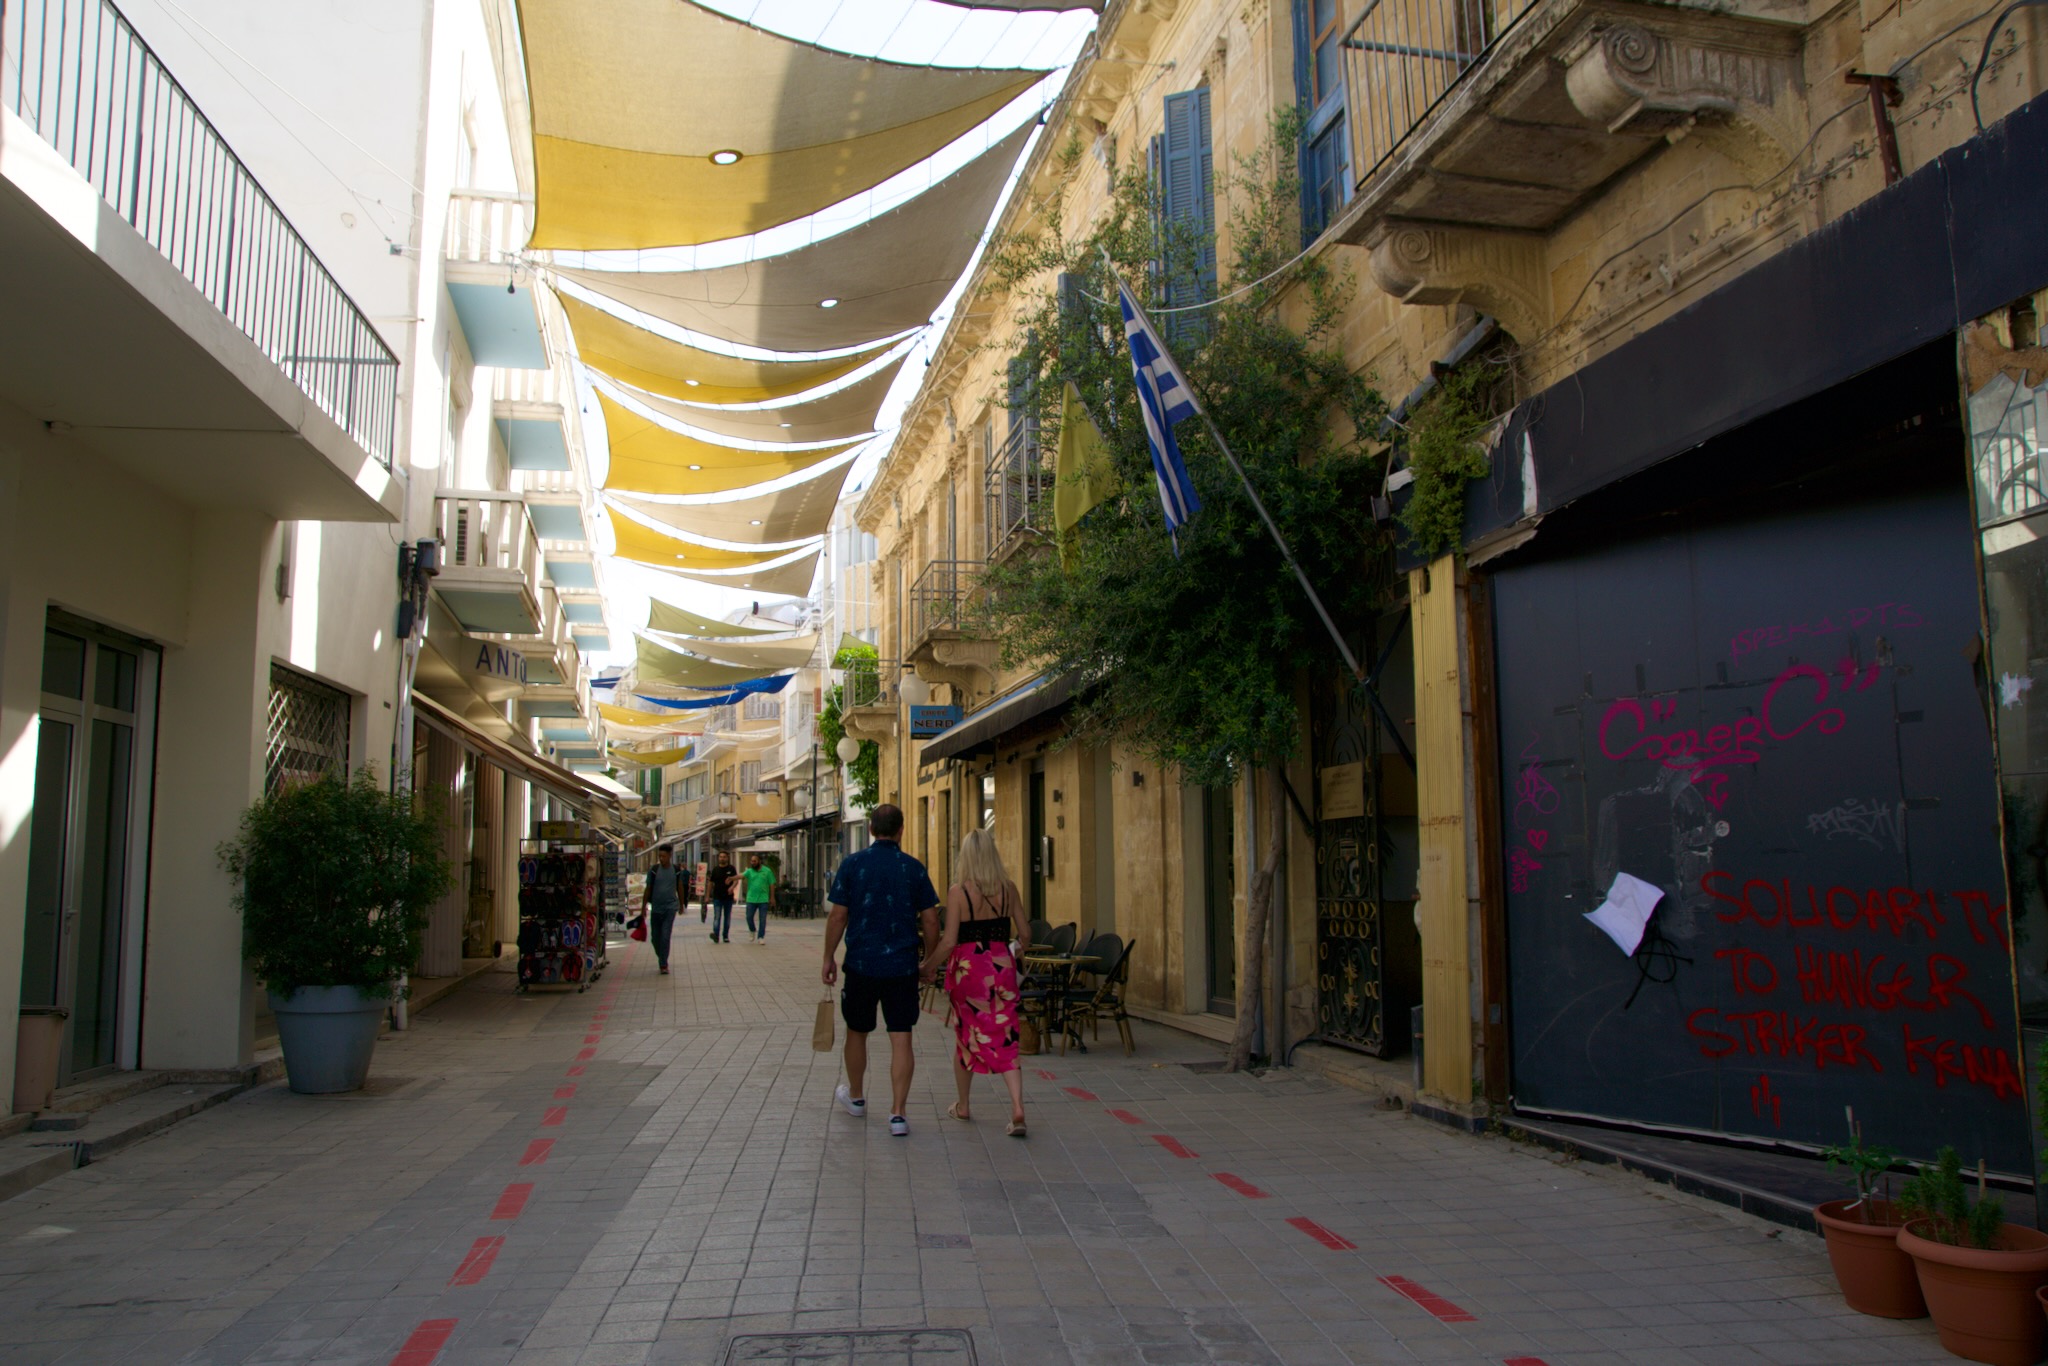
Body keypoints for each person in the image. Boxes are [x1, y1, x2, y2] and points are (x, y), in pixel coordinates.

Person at [823, 804, 940, 1137]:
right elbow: (931, 919)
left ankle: (857, 1097)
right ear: (901, 830)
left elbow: (837, 917)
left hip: (861, 964)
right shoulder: (914, 868)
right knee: (901, 1036)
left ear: (871, 829)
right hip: (902, 967)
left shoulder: (852, 865)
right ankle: (898, 1114)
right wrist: (928, 962)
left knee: (857, 1031)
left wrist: (828, 957)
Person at [922, 829, 1030, 1137]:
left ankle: (964, 1104)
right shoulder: (1009, 889)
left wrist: (927, 968)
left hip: (969, 971)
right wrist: (1015, 950)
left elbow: (948, 942)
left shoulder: (959, 892)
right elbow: (1025, 935)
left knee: (966, 1035)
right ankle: (1017, 1105)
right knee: (1006, 1033)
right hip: (1001, 967)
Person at [642, 846, 684, 976]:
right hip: (656, 908)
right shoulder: (654, 871)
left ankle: (663, 964)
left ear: (670, 855)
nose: (661, 859)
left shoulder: (676, 870)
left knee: (665, 936)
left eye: (664, 856)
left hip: (670, 907)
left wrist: (681, 904)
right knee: (655, 938)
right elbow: (648, 888)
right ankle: (662, 956)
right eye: (660, 856)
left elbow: (680, 887)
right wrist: (643, 906)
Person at [742, 852, 777, 943]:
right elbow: (741, 876)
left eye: (754, 861)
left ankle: (761, 937)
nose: (752, 862)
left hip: (763, 899)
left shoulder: (767, 871)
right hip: (751, 899)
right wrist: (731, 878)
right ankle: (752, 930)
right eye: (751, 861)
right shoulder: (749, 871)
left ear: (759, 861)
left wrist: (772, 897)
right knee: (749, 917)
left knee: (762, 919)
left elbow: (772, 884)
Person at [706, 851, 736, 944]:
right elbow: (710, 883)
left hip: (728, 897)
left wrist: (732, 887)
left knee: (727, 918)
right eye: (720, 857)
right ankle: (716, 935)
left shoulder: (731, 868)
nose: (722, 858)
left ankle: (725, 936)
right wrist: (707, 896)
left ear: (727, 858)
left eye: (724, 857)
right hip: (717, 897)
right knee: (717, 917)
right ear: (718, 858)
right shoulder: (715, 870)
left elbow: (736, 880)